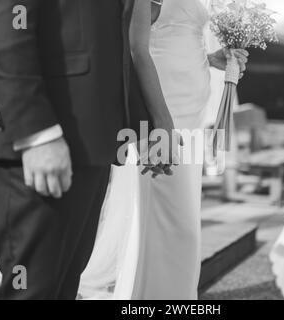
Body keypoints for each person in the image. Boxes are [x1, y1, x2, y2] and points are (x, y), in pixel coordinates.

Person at [0, 0, 175, 299]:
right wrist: (37, 134)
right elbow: (6, 33)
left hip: (91, 141)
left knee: (62, 286)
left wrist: (142, 131)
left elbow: (114, 45)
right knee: (28, 290)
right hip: (34, 145)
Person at [80, 0, 249, 300]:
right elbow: (137, 47)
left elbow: (178, 33)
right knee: (174, 223)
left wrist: (214, 58)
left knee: (180, 218)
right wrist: (161, 120)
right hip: (165, 107)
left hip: (192, 104)